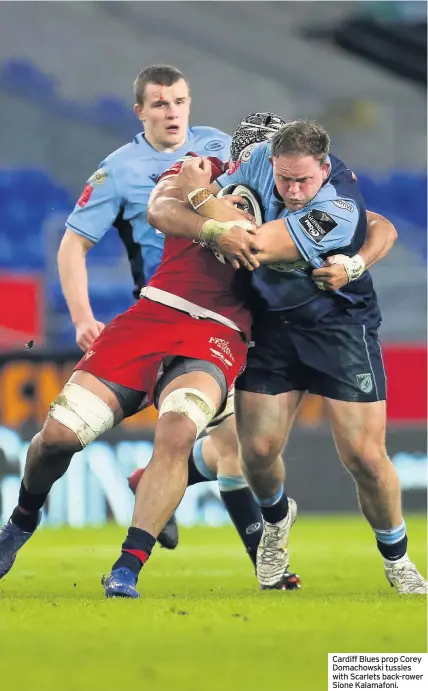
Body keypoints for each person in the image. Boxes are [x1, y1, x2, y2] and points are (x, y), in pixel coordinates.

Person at [147, 118, 426, 595]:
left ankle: (397, 559)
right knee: (254, 451)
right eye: (285, 179)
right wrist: (202, 199)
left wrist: (200, 197)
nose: (295, 192)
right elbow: (169, 207)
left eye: (305, 180)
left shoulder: (337, 205)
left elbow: (254, 244)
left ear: (325, 167)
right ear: (271, 162)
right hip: (272, 325)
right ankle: (275, 523)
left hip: (338, 324)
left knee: (363, 456)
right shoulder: (258, 162)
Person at [58, 63, 260, 557]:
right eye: (160, 104)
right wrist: (83, 317)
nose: (172, 112)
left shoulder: (219, 146)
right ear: (140, 111)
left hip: (226, 314)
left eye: (179, 102)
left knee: (238, 446)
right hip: (163, 313)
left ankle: (155, 486)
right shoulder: (118, 170)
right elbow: (72, 246)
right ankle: (267, 561)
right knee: (237, 446)